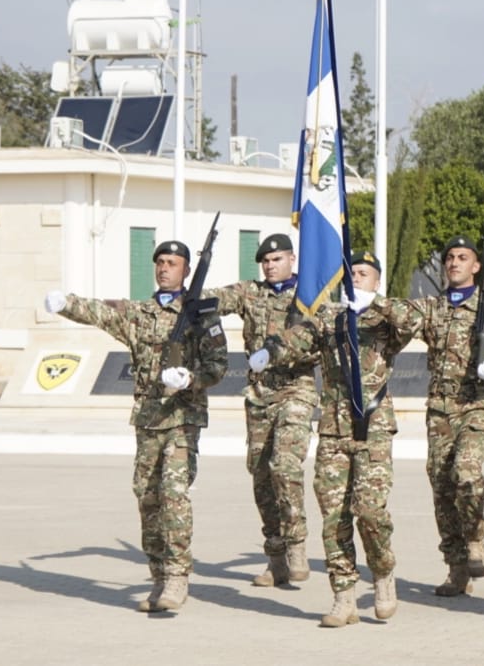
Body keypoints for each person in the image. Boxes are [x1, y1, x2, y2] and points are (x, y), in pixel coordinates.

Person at [44, 239, 228, 613]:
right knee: (147, 496)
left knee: (174, 493)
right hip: (148, 419)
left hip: (182, 419)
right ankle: (159, 575)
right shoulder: (139, 314)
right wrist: (67, 304)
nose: (164, 268)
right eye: (160, 261)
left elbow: (219, 366)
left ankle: (178, 575)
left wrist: (190, 379)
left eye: (172, 263)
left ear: (186, 271)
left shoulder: (202, 314)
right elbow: (100, 311)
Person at [249, 251, 415, 627]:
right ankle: (344, 596)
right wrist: (269, 351)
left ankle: (383, 571)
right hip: (333, 428)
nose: (357, 279)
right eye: (352, 273)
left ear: (376, 280)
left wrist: (377, 303)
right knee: (334, 516)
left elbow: (413, 321)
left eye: (364, 274)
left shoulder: (384, 321)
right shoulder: (330, 319)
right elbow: (299, 338)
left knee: (370, 510)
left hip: (372, 426)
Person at [363, 236, 484, 597]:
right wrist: (371, 301)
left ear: (476, 266)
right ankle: (456, 567)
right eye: (450, 257)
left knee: (467, 472)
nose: (454, 263)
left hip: (477, 404)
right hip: (439, 409)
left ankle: (476, 540)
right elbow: (401, 314)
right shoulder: (432, 308)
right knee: (441, 487)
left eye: (462, 258)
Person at [205, 233, 318, 587]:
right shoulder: (250, 292)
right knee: (261, 478)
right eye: (265, 261)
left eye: (277, 259)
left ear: (292, 259)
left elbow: (317, 336)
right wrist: (187, 294)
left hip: (296, 388)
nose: (270, 266)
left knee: (284, 465)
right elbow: (216, 300)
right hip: (259, 395)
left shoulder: (311, 294)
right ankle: (276, 556)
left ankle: (297, 543)